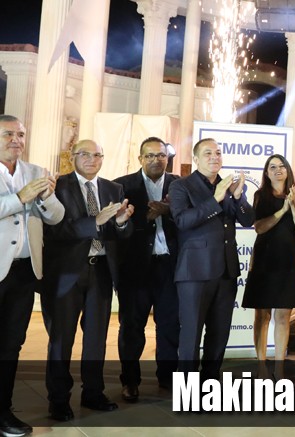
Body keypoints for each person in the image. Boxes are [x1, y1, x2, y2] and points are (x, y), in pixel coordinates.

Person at [43, 139, 134, 420]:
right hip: (66, 273)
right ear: (72, 157)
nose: (91, 159)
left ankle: (93, 392)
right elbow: (54, 229)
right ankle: (59, 399)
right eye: (84, 154)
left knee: (96, 338)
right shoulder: (57, 186)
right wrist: (95, 221)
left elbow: (120, 234)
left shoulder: (113, 189)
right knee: (61, 340)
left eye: (97, 155)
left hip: (102, 271)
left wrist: (121, 223)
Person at [169, 138, 255, 382]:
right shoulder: (181, 186)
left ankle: (210, 382)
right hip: (195, 272)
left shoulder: (227, 185)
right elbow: (182, 221)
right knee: (191, 333)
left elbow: (248, 220)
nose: (214, 157)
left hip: (226, 272)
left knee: (219, 333)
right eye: (208, 153)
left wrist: (238, 197)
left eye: (218, 153)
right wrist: (215, 199)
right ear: (196, 159)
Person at [0, 115, 63, 435]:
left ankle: (3, 410)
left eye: (21, 134)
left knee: (12, 344)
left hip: (25, 271)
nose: (16, 140)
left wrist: (47, 197)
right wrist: (19, 198)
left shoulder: (37, 171)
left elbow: (56, 217)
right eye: (8, 134)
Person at [113, 137, 179, 402]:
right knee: (131, 327)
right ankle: (130, 381)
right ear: (140, 158)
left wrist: (167, 210)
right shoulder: (122, 185)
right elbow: (115, 225)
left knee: (170, 326)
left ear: (167, 158)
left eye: (161, 155)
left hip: (170, 266)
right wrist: (142, 216)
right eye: (149, 156)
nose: (156, 160)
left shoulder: (179, 184)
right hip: (135, 268)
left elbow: (189, 217)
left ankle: (168, 378)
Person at [242, 155, 295, 379]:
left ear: (287, 170)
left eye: (281, 166)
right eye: (273, 167)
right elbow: (260, 227)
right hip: (265, 261)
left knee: (283, 317)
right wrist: (281, 211)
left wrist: (292, 204)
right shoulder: (261, 195)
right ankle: (261, 366)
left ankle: (279, 368)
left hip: (287, 261)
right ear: (266, 173)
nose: (278, 170)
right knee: (263, 316)